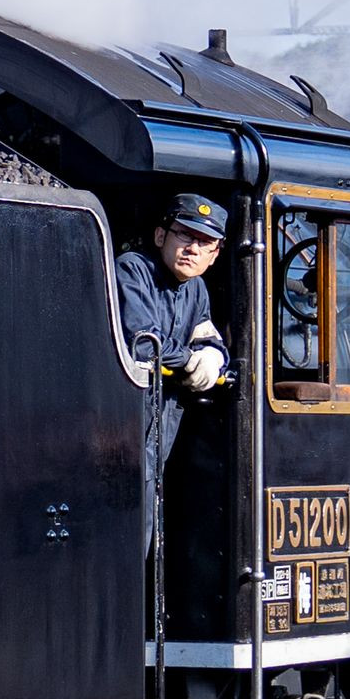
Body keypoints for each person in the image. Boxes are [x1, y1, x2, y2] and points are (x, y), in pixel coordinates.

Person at [117, 193, 230, 529]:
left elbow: (208, 337)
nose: (193, 248)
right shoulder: (133, 269)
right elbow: (143, 343)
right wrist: (191, 359)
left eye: (205, 242)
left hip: (160, 429)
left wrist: (214, 356)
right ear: (160, 236)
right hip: (124, 427)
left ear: (214, 255)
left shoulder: (196, 290)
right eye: (185, 235)